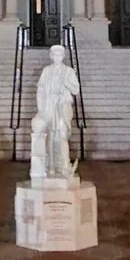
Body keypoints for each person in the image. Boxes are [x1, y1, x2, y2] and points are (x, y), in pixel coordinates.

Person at [31, 45, 81, 179]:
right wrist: (41, 108)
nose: (57, 57)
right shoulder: (47, 71)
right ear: (51, 56)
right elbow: (40, 90)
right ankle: (51, 166)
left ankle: (65, 166)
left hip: (62, 105)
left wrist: (66, 84)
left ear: (63, 56)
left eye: (59, 55)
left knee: (62, 135)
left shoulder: (68, 71)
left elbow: (76, 90)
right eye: (54, 55)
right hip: (49, 106)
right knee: (51, 136)